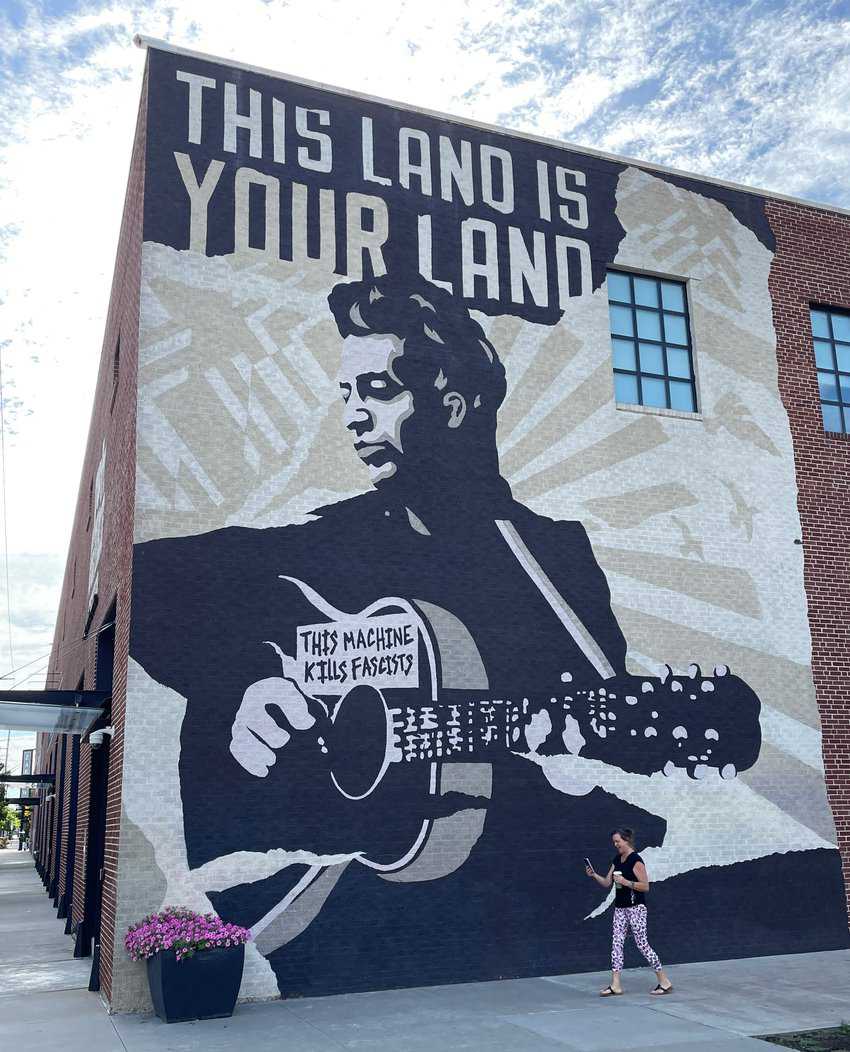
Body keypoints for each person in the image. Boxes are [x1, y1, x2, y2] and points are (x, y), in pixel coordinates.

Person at [587, 827, 673, 996]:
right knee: (616, 944)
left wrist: (626, 882)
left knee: (642, 944)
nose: (615, 844)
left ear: (626, 840)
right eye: (614, 842)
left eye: (618, 841)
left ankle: (664, 980)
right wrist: (594, 875)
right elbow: (606, 882)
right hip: (620, 908)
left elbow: (645, 886)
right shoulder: (617, 859)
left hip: (636, 908)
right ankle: (616, 984)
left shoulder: (636, 861)